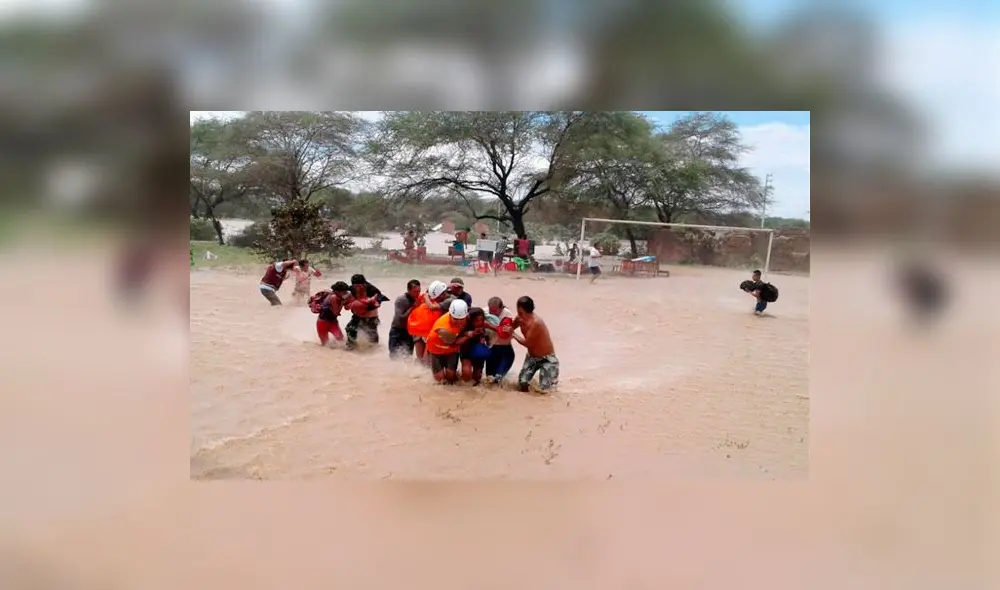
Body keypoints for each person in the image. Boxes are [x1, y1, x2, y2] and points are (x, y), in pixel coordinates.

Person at [511, 295, 559, 393]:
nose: (518, 314)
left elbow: (527, 343)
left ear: (527, 311)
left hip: (547, 359)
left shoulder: (536, 323)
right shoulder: (519, 318)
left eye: (520, 312)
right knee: (522, 383)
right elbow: (510, 327)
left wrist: (512, 334)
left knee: (544, 390)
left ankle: (551, 378)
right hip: (532, 357)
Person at [424, 299, 473, 384]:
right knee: (440, 379)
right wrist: (468, 335)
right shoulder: (443, 328)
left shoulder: (467, 316)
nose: (459, 321)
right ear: (450, 314)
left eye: (462, 319)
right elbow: (454, 341)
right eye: (456, 319)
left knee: (450, 376)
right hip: (437, 349)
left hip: (452, 350)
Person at [407, 280, 452, 363]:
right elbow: (416, 307)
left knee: (426, 359)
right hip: (419, 331)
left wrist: (426, 297)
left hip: (431, 333)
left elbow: (431, 307)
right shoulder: (424, 298)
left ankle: (425, 373)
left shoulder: (448, 301)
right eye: (443, 293)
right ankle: (418, 374)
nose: (445, 294)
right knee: (420, 358)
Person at [344, 274, 386, 350]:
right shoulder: (351, 288)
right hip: (357, 315)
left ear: (364, 283)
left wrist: (364, 306)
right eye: (355, 286)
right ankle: (351, 346)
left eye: (359, 286)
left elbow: (379, 301)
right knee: (350, 328)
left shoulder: (372, 290)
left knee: (371, 333)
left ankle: (375, 349)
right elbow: (342, 293)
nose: (357, 287)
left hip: (371, 316)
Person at [485, 296, 517, 384]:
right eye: (490, 310)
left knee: (497, 379)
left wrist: (489, 325)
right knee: (489, 379)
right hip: (491, 350)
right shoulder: (485, 312)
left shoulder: (507, 315)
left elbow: (503, 333)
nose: (492, 313)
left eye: (495, 311)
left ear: (501, 308)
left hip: (505, 351)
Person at [388, 279, 421, 359]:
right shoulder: (401, 300)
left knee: (407, 357)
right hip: (397, 331)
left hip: (409, 332)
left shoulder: (419, 299)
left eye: (419, 291)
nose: (417, 294)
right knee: (394, 356)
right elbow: (401, 318)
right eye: (415, 291)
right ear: (408, 290)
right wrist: (413, 307)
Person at [314, 281, 354, 346]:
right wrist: (342, 303)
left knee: (341, 341)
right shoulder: (334, 297)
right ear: (338, 291)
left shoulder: (335, 295)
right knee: (326, 345)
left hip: (332, 322)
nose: (346, 293)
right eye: (344, 291)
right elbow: (336, 313)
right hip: (323, 323)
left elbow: (347, 308)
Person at [458, 307, 491, 385]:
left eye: (481, 320)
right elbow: (461, 334)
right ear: (471, 321)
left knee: (477, 376)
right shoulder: (466, 327)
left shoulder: (484, 328)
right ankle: (464, 390)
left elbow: (489, 341)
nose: (479, 322)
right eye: (477, 320)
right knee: (466, 373)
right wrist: (470, 334)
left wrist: (485, 339)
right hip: (466, 351)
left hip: (479, 354)